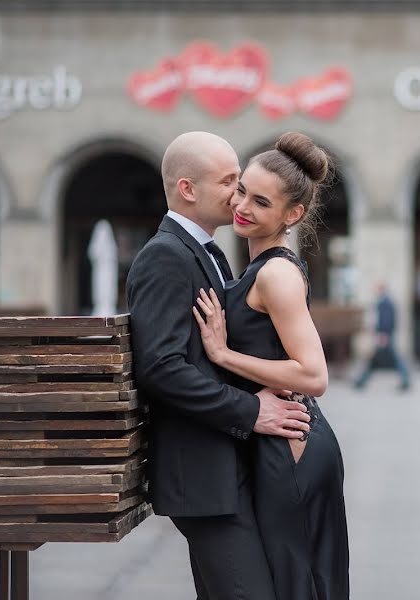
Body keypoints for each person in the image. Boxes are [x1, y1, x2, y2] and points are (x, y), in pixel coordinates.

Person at [127, 131, 312, 600]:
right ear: (188, 189)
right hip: (202, 477)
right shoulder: (166, 256)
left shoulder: (208, 253)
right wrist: (253, 410)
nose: (239, 194)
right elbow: (161, 367)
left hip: (224, 469)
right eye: (230, 181)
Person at [193, 131, 350, 600]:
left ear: (292, 215)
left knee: (295, 580)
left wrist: (222, 355)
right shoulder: (259, 268)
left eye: (261, 202)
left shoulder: (277, 274)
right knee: (292, 577)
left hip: (292, 446)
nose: (242, 206)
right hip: (280, 438)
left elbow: (313, 375)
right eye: (242, 190)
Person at [353, 283, 411, 392]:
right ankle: (361, 381)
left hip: (384, 336)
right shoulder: (386, 302)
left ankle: (361, 381)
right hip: (385, 335)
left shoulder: (385, 303)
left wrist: (383, 334)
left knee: (391, 359)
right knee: (375, 360)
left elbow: (386, 320)